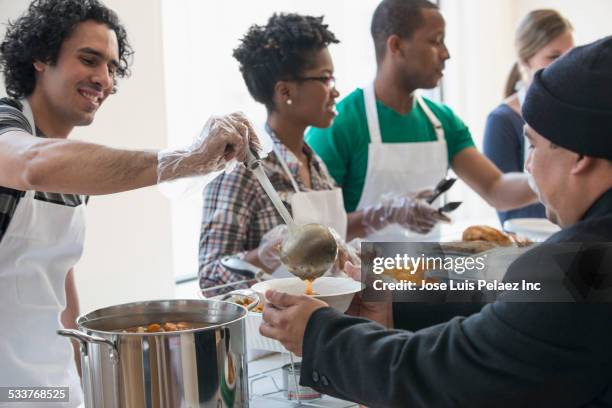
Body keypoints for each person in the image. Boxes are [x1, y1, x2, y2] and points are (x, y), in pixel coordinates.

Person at [260, 37, 612, 407]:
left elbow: (445, 372)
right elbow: (509, 274)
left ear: (580, 156)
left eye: (534, 145)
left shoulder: (589, 266)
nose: (528, 165)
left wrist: (320, 335)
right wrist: (384, 277)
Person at [0, 1, 256, 406]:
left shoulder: (68, 164)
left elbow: (59, 279)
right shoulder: (9, 128)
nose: (104, 79)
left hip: (53, 384)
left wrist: (87, 381)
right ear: (40, 57)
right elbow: (29, 165)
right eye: (89, 59)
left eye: (113, 68)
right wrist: (184, 160)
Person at [199, 13, 448, 289]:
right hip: (270, 327)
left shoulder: (315, 165)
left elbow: (332, 241)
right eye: (325, 79)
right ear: (285, 92)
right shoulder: (242, 170)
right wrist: (264, 256)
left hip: (324, 322)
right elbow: (210, 278)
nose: (336, 92)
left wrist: (387, 213)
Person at [306, 0, 538, 242]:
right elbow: (314, 231)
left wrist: (548, 178)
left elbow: (495, 188)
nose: (446, 54)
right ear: (396, 46)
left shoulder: (442, 122)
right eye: (435, 41)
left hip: (426, 274)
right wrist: (382, 215)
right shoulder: (339, 124)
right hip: (357, 276)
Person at [483, 9, 574, 225]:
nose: (564, 65)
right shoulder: (502, 121)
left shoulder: (576, 114)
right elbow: (507, 212)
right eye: (553, 57)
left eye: (570, 56)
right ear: (525, 60)